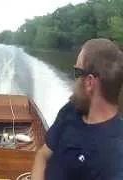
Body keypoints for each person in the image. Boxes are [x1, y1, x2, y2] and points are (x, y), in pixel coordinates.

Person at [31, 38, 123, 180]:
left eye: (76, 71)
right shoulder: (72, 109)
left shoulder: (115, 158)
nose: (75, 79)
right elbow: (42, 155)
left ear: (90, 82)